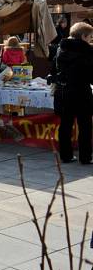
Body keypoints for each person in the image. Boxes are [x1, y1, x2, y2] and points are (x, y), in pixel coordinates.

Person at [54, 22, 93, 164]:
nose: (90, 40)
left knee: (65, 125)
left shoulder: (61, 49)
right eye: (90, 37)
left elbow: (54, 70)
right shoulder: (87, 51)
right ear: (83, 36)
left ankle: (66, 155)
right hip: (82, 92)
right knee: (85, 126)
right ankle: (85, 157)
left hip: (64, 91)